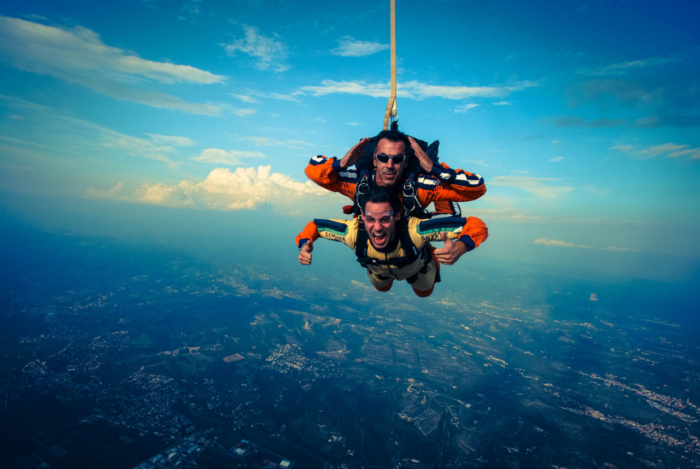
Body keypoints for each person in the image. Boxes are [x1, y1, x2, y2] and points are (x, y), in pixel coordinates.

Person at [305, 129, 486, 266]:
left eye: (397, 159)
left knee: (423, 288)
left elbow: (477, 188)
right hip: (379, 242)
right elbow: (313, 169)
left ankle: (424, 261)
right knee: (381, 282)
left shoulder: (420, 187)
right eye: (383, 158)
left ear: (406, 162)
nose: (390, 165)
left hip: (413, 234)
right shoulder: (359, 183)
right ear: (374, 160)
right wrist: (340, 164)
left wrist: (435, 169)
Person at [295, 186, 488, 297]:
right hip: (379, 270)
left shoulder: (415, 230)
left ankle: (441, 193)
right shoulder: (354, 231)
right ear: (362, 217)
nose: (377, 227)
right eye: (370, 219)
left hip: (417, 267)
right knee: (382, 287)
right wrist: (304, 244)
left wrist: (461, 246)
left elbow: (475, 225)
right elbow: (316, 226)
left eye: (385, 219)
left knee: (424, 291)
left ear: (397, 217)